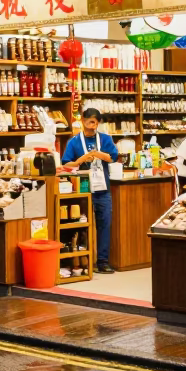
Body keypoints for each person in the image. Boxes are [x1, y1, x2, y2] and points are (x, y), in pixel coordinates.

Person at [61, 108, 119, 274]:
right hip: (83, 189)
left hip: (103, 189)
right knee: (81, 226)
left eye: (96, 122)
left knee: (105, 225)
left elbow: (113, 157)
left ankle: (103, 261)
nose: (93, 125)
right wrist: (82, 159)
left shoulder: (105, 139)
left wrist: (99, 154)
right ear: (83, 121)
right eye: (90, 121)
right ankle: (81, 261)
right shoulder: (74, 142)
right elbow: (67, 164)